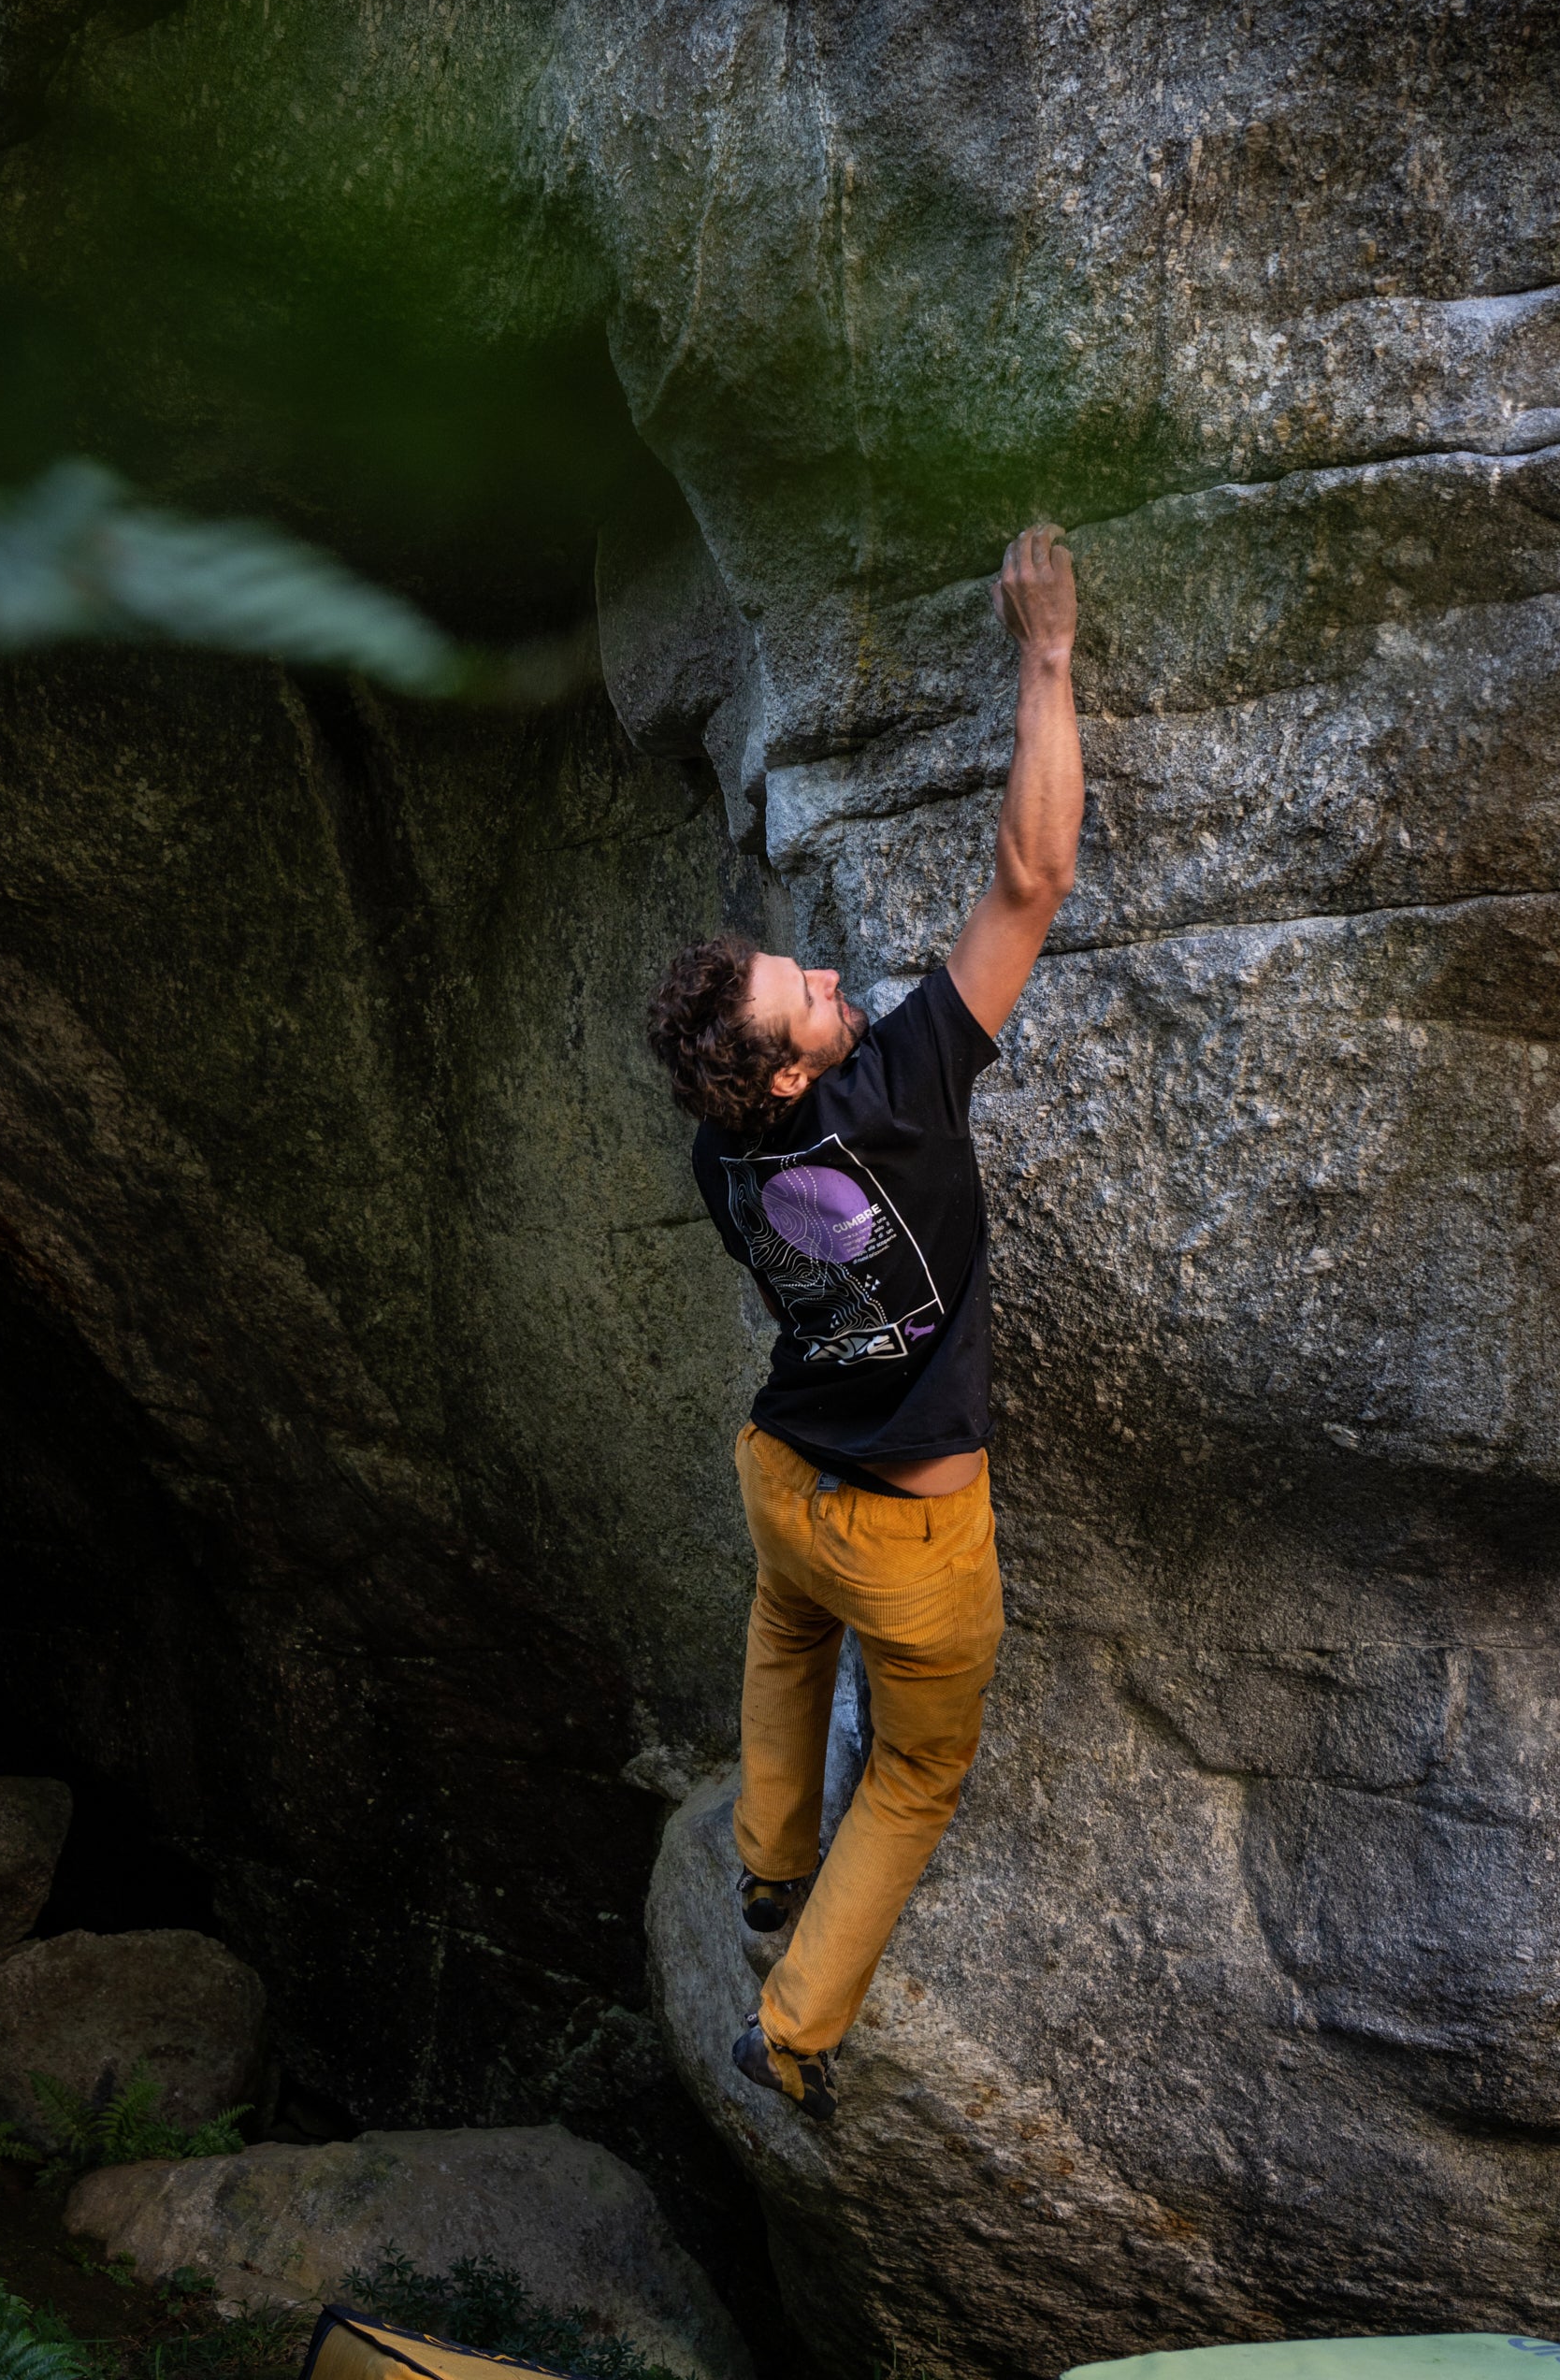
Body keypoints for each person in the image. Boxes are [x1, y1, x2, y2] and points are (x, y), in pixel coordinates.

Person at [644, 523, 1082, 2122]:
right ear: (785, 1074)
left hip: (786, 1476)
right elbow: (1032, 876)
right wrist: (1046, 655)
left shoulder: (720, 1153)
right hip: (908, 1530)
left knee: (783, 1626)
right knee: (911, 1774)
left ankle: (765, 1864)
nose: (836, 980)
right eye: (806, 997)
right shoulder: (897, 1092)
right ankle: (797, 2024)